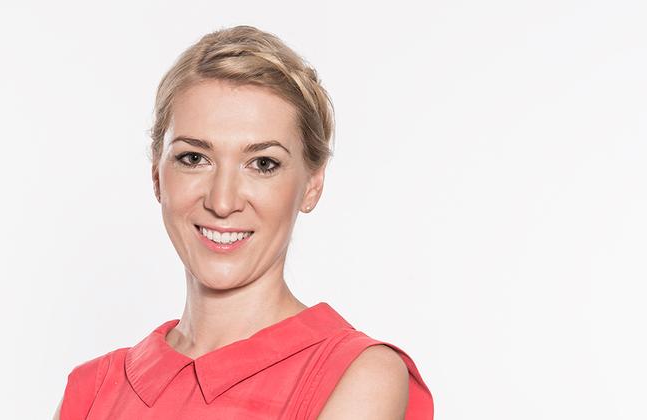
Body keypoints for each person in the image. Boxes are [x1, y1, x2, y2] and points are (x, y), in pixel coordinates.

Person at [54, 25, 433, 419]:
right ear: (157, 176)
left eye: (263, 164)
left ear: (312, 185)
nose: (222, 202)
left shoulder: (358, 376)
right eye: (193, 158)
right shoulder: (91, 391)